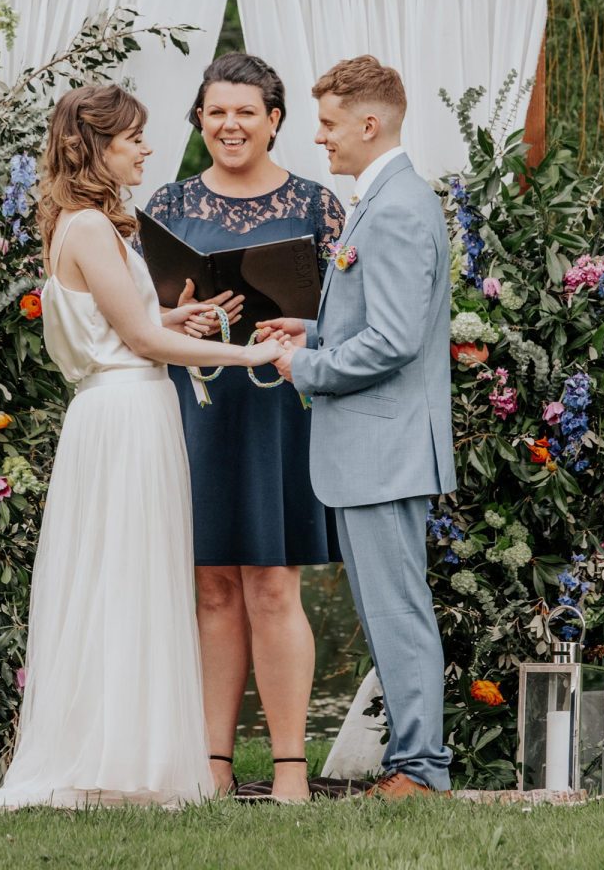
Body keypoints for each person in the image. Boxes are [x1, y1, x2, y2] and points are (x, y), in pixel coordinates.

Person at [0, 83, 284, 810]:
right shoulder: (86, 228)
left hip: (134, 405)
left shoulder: (97, 227)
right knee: (118, 579)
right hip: (123, 412)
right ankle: (109, 756)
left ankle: (131, 753)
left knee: (134, 576)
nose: (146, 147)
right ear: (96, 147)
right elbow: (136, 341)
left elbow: (133, 320)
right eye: (133, 137)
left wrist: (185, 316)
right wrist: (249, 358)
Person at [143, 52, 344, 802]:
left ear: (275, 121)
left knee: (271, 583)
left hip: (276, 406)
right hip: (195, 404)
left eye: (245, 113)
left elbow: (354, 315)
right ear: (199, 120)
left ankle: (290, 766)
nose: (230, 125)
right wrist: (178, 316)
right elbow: (138, 313)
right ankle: (213, 764)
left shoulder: (319, 206)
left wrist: (311, 331)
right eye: (216, 112)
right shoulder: (167, 203)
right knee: (211, 589)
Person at [259, 55, 457, 800]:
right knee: (388, 609)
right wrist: (312, 330)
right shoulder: (387, 199)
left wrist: (304, 368)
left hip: (386, 449)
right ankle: (414, 763)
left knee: (398, 612)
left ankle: (421, 770)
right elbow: (374, 321)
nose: (321, 139)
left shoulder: (398, 206)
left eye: (331, 124)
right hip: (378, 448)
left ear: (369, 124)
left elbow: (396, 339)